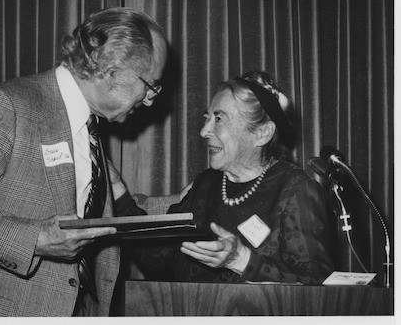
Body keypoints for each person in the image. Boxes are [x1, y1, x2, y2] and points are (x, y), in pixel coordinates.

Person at [0, 7, 167, 316]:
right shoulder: (11, 106)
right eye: (151, 84)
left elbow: (92, 209)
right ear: (112, 70)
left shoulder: (88, 126)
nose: (152, 98)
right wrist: (36, 239)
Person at [112, 71, 334, 284]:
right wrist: (117, 190)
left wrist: (240, 259)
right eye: (207, 118)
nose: (203, 131)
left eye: (219, 119)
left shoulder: (296, 188)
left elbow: (317, 281)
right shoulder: (206, 183)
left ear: (261, 133)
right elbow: (155, 257)